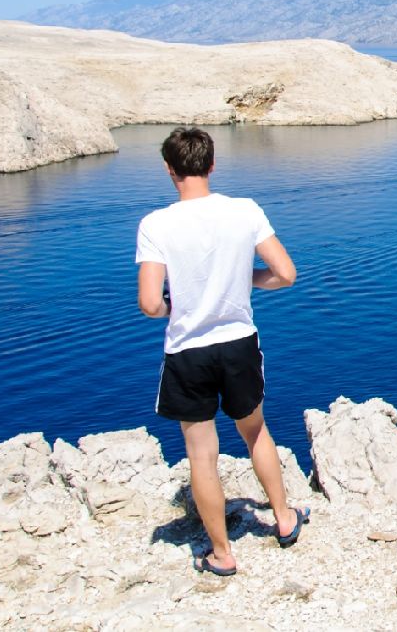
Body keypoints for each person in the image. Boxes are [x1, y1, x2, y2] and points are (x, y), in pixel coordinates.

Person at [136, 126, 307, 576]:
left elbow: (152, 304)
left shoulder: (156, 224)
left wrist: (178, 304)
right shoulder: (245, 211)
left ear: (170, 170)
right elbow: (286, 274)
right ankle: (285, 519)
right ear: (211, 165)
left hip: (188, 351)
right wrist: (245, 280)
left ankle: (222, 554)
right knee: (256, 433)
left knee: (201, 454)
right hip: (238, 344)